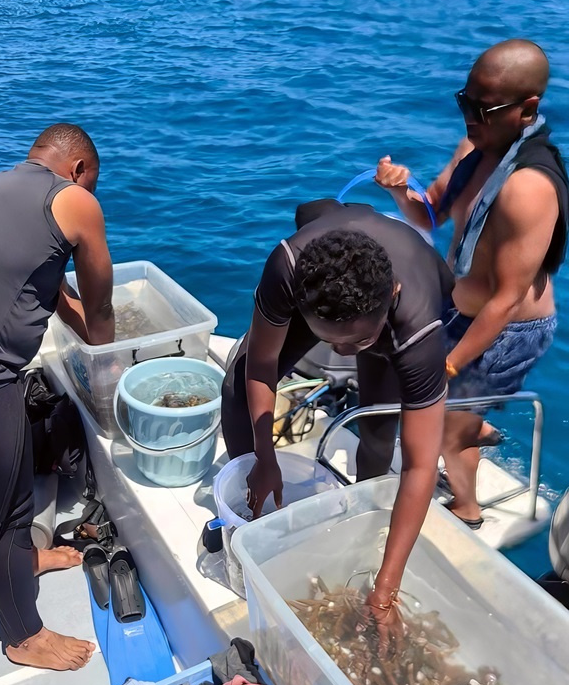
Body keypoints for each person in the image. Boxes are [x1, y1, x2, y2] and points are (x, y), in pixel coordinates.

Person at [0, 123, 115, 684]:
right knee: (10, 512)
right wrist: (109, 366)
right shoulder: (73, 199)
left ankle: (23, 567)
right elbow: (100, 312)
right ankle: (24, 636)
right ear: (79, 170)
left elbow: (42, 290)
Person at [221, 199, 454, 642]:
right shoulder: (287, 267)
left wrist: (385, 591)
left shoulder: (418, 328)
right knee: (235, 387)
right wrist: (264, 457)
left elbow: (421, 465)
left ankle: (367, 528)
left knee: (380, 433)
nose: (345, 354)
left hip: (398, 310)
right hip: (344, 298)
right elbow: (261, 364)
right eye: (332, 343)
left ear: (394, 296)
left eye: (356, 341)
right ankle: (255, 514)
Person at [376, 39, 568, 529]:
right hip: (457, 310)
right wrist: (400, 188)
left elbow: (505, 301)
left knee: (441, 428)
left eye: (485, 110)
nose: (471, 119)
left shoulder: (528, 188)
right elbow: (431, 212)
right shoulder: (474, 148)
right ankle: (474, 423)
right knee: (421, 395)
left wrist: (448, 365)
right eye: (465, 103)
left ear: (527, 110)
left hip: (503, 333)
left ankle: (468, 508)